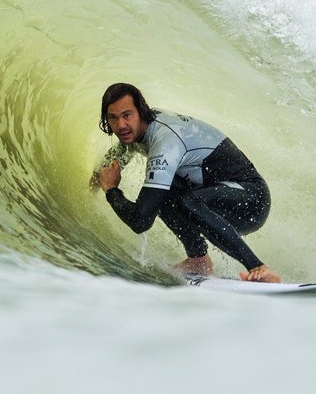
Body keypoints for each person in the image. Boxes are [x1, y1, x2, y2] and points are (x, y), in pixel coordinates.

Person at [92, 82, 281, 283]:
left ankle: (259, 267)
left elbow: (141, 221)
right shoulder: (137, 131)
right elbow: (118, 153)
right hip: (216, 196)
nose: (121, 125)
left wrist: (111, 190)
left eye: (127, 115)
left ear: (141, 112)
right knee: (161, 191)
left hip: (251, 200)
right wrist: (95, 180)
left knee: (187, 200)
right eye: (113, 118)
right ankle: (198, 259)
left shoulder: (165, 142)